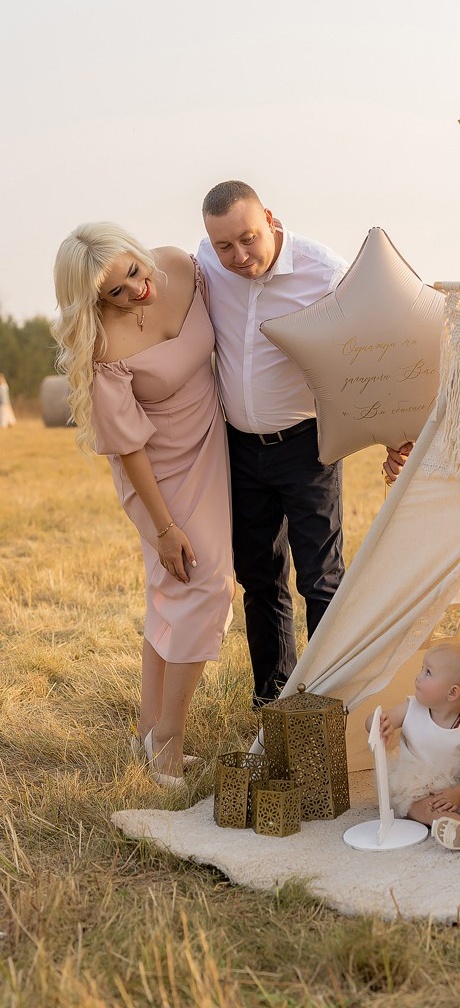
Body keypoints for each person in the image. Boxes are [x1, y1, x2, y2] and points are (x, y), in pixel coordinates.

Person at [197, 181, 410, 707]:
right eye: (224, 246)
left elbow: (379, 351)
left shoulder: (326, 272)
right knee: (258, 578)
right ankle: (274, 700)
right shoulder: (204, 264)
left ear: (269, 218)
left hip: (305, 445)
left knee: (321, 578)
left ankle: (329, 698)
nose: (238, 256)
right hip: (239, 448)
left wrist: (394, 436)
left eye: (247, 239)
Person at [52, 223, 234, 787]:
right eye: (115, 291)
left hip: (211, 445)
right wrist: (163, 527)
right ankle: (169, 749)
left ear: (137, 251)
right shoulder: (103, 343)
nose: (135, 290)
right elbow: (126, 445)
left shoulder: (180, 267)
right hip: (159, 474)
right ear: (96, 301)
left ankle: (148, 732)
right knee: (205, 585)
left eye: (132, 270)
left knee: (171, 597)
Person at [368, 641, 460, 852]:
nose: (418, 676)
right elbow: (377, 719)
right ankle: (452, 824)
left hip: (455, 786)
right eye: (422, 669)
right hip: (414, 784)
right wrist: (378, 725)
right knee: (420, 808)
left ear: (452, 693)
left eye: (428, 673)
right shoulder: (411, 708)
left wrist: (458, 794)